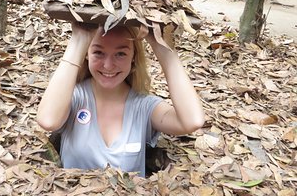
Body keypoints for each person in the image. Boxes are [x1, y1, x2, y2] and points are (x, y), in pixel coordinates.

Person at [37, 22, 205, 177]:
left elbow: (192, 121)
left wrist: (163, 49)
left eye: (120, 54)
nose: (108, 65)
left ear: (133, 57)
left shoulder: (143, 106)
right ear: (86, 53)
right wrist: (79, 40)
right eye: (98, 52)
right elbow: (47, 120)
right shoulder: (74, 96)